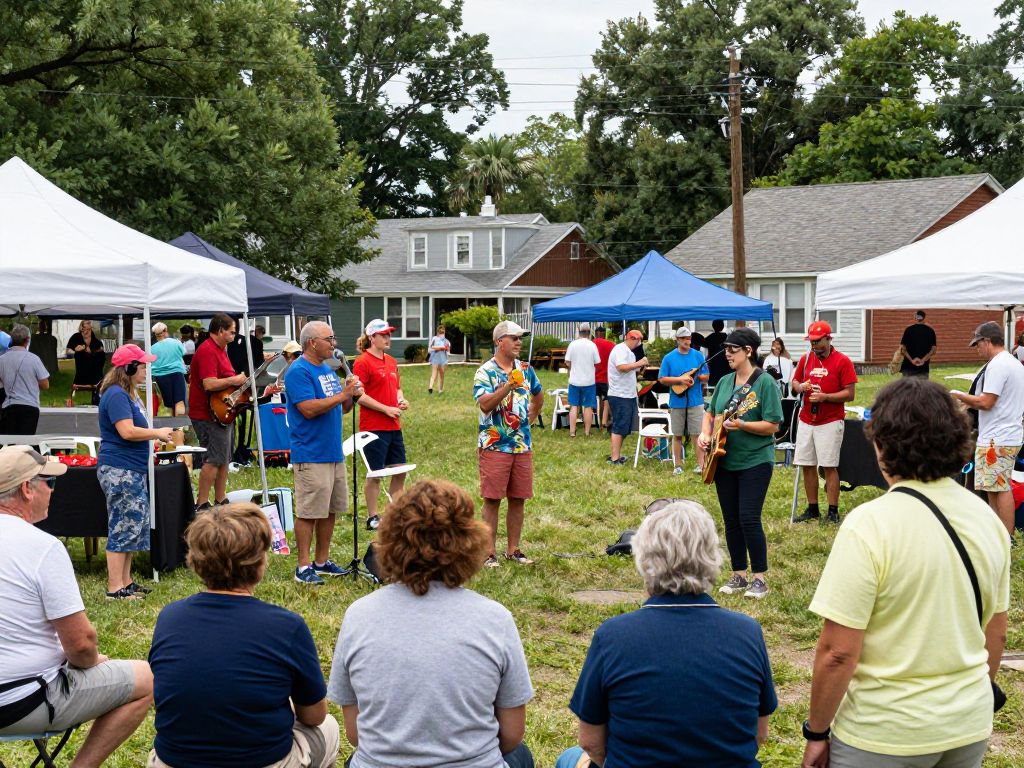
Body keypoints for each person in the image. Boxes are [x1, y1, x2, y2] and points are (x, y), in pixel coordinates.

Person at [801, 378, 1010, 768]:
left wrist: (816, 731)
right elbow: (995, 631)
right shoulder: (988, 519)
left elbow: (837, 652)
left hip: (883, 733)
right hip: (967, 724)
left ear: (882, 446)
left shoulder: (869, 524)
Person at [327, 479, 535, 768]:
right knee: (520, 756)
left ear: (389, 542)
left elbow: (356, 734)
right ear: (471, 543)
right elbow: (512, 734)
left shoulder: (358, 615)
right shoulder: (495, 619)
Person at [560, 501, 776, 768]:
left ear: (644, 557)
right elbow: (759, 733)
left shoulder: (613, 636)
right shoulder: (748, 633)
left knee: (568, 759)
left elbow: (591, 741)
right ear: (711, 556)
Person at [148, 503, 340, 768]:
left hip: (174, 761)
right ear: (260, 562)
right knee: (329, 727)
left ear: (195, 559)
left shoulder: (169, 617)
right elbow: (314, 715)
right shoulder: (287, 626)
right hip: (263, 760)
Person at [0, 445, 153, 766]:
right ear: (27, 489)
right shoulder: (43, 547)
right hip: (21, 700)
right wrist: (92, 660)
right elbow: (82, 645)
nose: (52, 492)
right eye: (49, 483)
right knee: (147, 679)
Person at [698, 328, 782, 599]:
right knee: (731, 520)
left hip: (755, 459)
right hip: (724, 459)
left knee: (748, 518)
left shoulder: (765, 382)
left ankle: (760, 579)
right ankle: (738, 575)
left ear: (749, 351)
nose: (727, 354)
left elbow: (773, 425)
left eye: (733, 349)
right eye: (726, 349)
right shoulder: (724, 381)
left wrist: (743, 424)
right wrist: (705, 434)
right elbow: (710, 413)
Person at [285, 321, 362, 585]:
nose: (334, 343)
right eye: (329, 338)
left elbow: (342, 409)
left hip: (332, 451)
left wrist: (351, 396)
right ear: (311, 343)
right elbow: (308, 408)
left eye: (333, 337)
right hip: (310, 452)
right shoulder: (298, 372)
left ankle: (322, 561)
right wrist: (343, 395)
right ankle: (303, 566)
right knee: (309, 511)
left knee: (330, 509)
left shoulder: (328, 371)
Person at [96, 344, 175, 600]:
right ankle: (114, 588)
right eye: (142, 366)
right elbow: (127, 431)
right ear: (128, 369)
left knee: (133, 527)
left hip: (131, 468)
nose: (146, 370)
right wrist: (156, 434)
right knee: (122, 526)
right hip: (120, 470)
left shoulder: (128, 394)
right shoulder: (117, 395)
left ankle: (126, 582)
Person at [474, 320, 544, 566]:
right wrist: (508, 386)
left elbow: (538, 393)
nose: (518, 342)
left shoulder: (526, 368)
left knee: (518, 498)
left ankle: (513, 549)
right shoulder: (485, 371)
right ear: (498, 342)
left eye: (520, 338)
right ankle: (488, 553)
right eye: (513, 337)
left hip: (522, 446)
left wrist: (532, 416)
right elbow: (485, 404)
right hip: (494, 445)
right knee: (492, 499)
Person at [952, 321, 1024, 536]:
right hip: (1004, 434)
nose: (977, 349)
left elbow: (986, 402)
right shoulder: (1012, 363)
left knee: (999, 488)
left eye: (978, 344)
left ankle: (1005, 537)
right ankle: (998, 535)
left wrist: (958, 395)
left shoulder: (998, 365)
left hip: (997, 438)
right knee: (993, 487)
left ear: (987, 341)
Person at [791, 321, 858, 524]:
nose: (814, 346)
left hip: (830, 420)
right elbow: (794, 383)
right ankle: (813, 509)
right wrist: (800, 386)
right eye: (811, 342)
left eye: (818, 342)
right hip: (806, 419)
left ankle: (833, 511)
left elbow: (850, 394)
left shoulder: (842, 361)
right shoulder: (806, 359)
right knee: (807, 464)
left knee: (829, 466)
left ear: (829, 339)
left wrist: (825, 397)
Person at [353, 319, 410, 530]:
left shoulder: (392, 361)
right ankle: (372, 517)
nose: (388, 338)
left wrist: (401, 400)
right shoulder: (362, 362)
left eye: (389, 334)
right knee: (375, 473)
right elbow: (359, 395)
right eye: (383, 335)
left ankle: (395, 514)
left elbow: (397, 388)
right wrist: (385, 409)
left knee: (400, 470)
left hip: (394, 426)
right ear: (371, 338)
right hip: (373, 427)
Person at [187, 313, 247, 511]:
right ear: (220, 331)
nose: (234, 335)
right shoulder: (207, 351)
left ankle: (221, 500)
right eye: (232, 332)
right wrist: (234, 380)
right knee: (213, 459)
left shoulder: (222, 349)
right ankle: (202, 503)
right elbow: (209, 383)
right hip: (207, 414)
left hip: (222, 412)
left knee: (224, 458)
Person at [658, 326, 709, 474]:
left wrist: (696, 376)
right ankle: (678, 465)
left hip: (695, 400)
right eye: (684, 338)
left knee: (697, 434)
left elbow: (706, 376)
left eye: (689, 338)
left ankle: (700, 465)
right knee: (677, 434)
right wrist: (680, 380)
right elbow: (662, 379)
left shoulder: (698, 356)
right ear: (677, 340)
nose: (688, 341)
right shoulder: (668, 358)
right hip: (676, 401)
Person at [606, 329, 646, 465]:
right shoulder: (620, 349)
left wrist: (641, 365)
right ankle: (614, 459)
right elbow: (621, 367)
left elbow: (634, 370)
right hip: (619, 394)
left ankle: (616, 455)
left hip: (628, 394)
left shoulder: (630, 353)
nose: (639, 343)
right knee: (619, 425)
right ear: (632, 338)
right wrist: (640, 363)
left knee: (624, 427)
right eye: (638, 340)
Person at [0, 324, 50, 435]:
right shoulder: (34, 359)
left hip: (9, 406)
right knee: (25, 444)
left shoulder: (2, 359)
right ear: (27, 340)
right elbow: (45, 385)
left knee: (9, 445)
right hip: (29, 406)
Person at [564, 322, 601, 437]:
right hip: (589, 380)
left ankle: (572, 432)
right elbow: (597, 362)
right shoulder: (592, 345)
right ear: (589, 333)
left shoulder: (572, 344)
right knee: (588, 406)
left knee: (574, 406)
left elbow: (567, 361)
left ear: (579, 332)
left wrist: (573, 367)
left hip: (575, 380)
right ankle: (586, 431)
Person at [150, 322, 188, 416]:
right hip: (176, 373)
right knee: (179, 402)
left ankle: (173, 424)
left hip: (160, 377)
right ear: (165, 331)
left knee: (170, 404)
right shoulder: (176, 342)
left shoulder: (151, 348)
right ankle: (179, 427)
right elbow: (183, 353)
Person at [65, 319, 106, 402]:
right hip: (81, 373)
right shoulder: (75, 338)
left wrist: (92, 352)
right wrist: (75, 351)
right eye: (83, 329)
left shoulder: (97, 342)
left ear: (91, 328)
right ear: (80, 329)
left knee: (100, 355)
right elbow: (68, 351)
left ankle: (96, 401)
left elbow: (102, 356)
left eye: (88, 329)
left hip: (95, 373)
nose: (85, 332)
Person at [899, 310, 937, 377]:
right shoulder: (931, 331)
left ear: (915, 317)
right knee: (922, 387)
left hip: (908, 367)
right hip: (923, 368)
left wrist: (912, 360)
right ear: (924, 317)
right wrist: (922, 360)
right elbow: (933, 350)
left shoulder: (908, 330)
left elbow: (903, 349)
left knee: (907, 387)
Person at [593, 326, 615, 429]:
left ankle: (590, 420)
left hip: (592, 378)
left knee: (592, 400)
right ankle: (604, 422)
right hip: (606, 378)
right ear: (604, 333)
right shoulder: (611, 345)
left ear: (595, 333)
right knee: (606, 400)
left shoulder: (591, 344)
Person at [704, 319, 730, 387]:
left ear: (713, 326)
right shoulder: (727, 337)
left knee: (714, 388)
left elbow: (703, 344)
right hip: (726, 365)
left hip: (713, 366)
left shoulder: (710, 338)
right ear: (723, 326)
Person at [427, 324, 451, 394]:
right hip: (441, 359)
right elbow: (431, 348)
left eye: (442, 332)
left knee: (434, 374)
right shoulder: (444, 340)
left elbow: (447, 349)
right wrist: (441, 348)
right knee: (441, 375)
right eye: (441, 332)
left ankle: (431, 387)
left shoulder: (441, 340)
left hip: (436, 359)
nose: (442, 334)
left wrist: (443, 348)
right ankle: (439, 390)